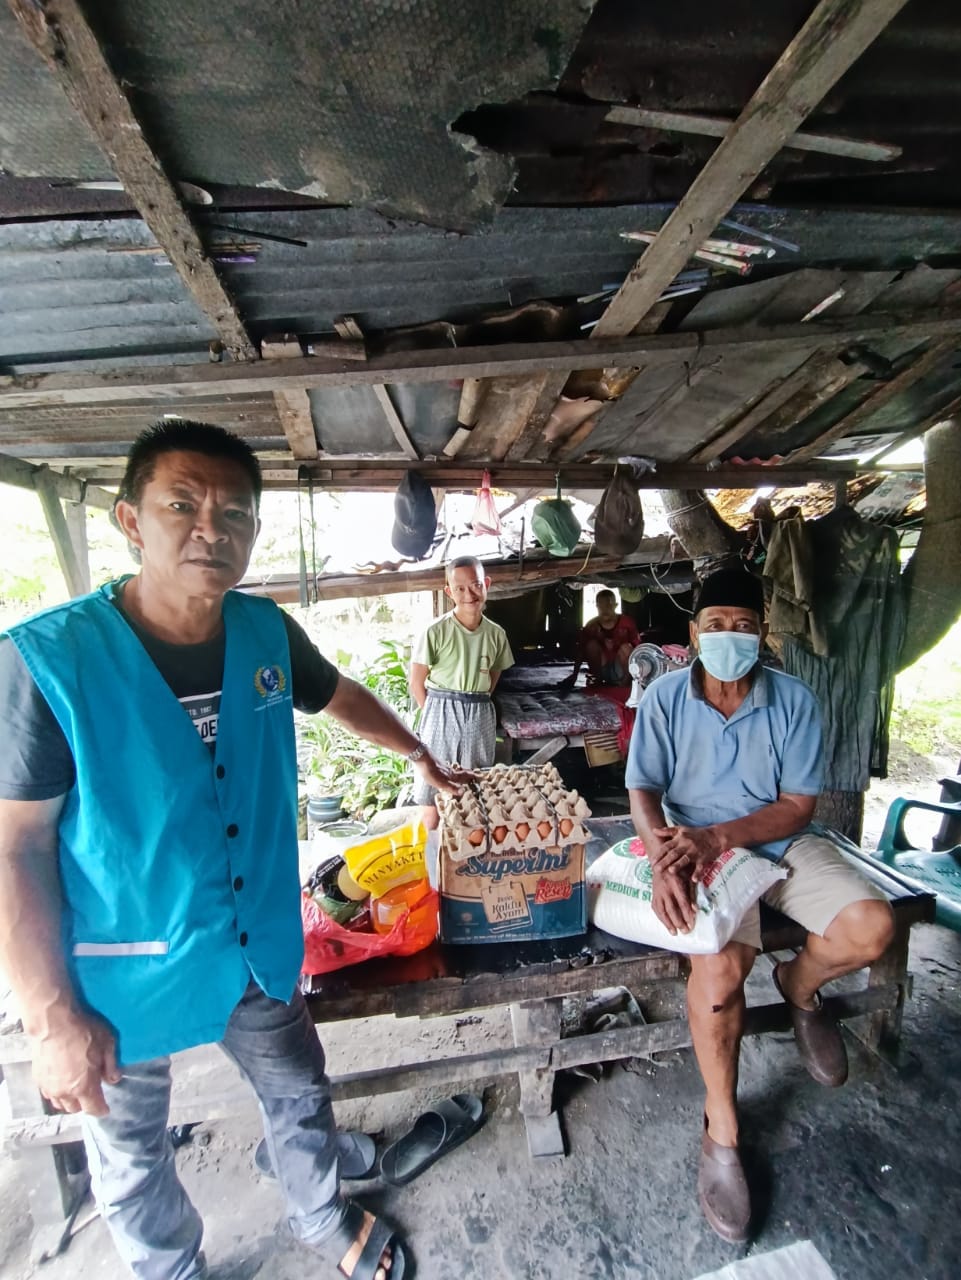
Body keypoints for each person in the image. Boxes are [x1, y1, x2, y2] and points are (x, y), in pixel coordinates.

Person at [0, 421, 466, 1280]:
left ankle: (320, 1214)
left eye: (235, 513)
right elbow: (15, 849)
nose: (210, 529)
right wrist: (50, 1017)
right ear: (130, 520)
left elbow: (337, 694)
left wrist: (416, 753)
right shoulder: (50, 662)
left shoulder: (262, 634)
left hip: (253, 939)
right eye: (181, 505)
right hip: (121, 961)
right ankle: (171, 1269)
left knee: (298, 1088)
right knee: (130, 1146)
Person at [626, 567, 894, 1244]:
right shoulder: (663, 698)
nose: (729, 636)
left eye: (743, 626)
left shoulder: (793, 700)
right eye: (715, 625)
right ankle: (722, 1128)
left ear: (762, 633)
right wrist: (662, 858)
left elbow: (797, 806)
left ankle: (799, 988)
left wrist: (720, 835)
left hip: (778, 843)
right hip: (698, 850)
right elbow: (643, 788)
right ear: (693, 635)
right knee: (718, 974)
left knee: (871, 928)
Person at [409, 556, 513, 827]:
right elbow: (416, 683)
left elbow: (493, 677)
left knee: (474, 792)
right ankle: (430, 849)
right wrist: (435, 716)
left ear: (486, 584)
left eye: (476, 585)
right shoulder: (435, 631)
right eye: (460, 588)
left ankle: (466, 850)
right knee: (432, 796)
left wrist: (475, 703)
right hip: (440, 712)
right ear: (449, 592)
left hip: (479, 711)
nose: (469, 594)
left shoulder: (497, 634)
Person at [567, 588, 639, 687]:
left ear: (615, 605)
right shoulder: (591, 626)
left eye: (609, 605)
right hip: (601, 668)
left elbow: (639, 649)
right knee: (591, 645)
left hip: (621, 670)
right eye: (601, 606)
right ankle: (597, 680)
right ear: (597, 606)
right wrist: (574, 675)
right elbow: (581, 650)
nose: (605, 609)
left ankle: (625, 685)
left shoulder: (627, 622)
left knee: (626, 647)